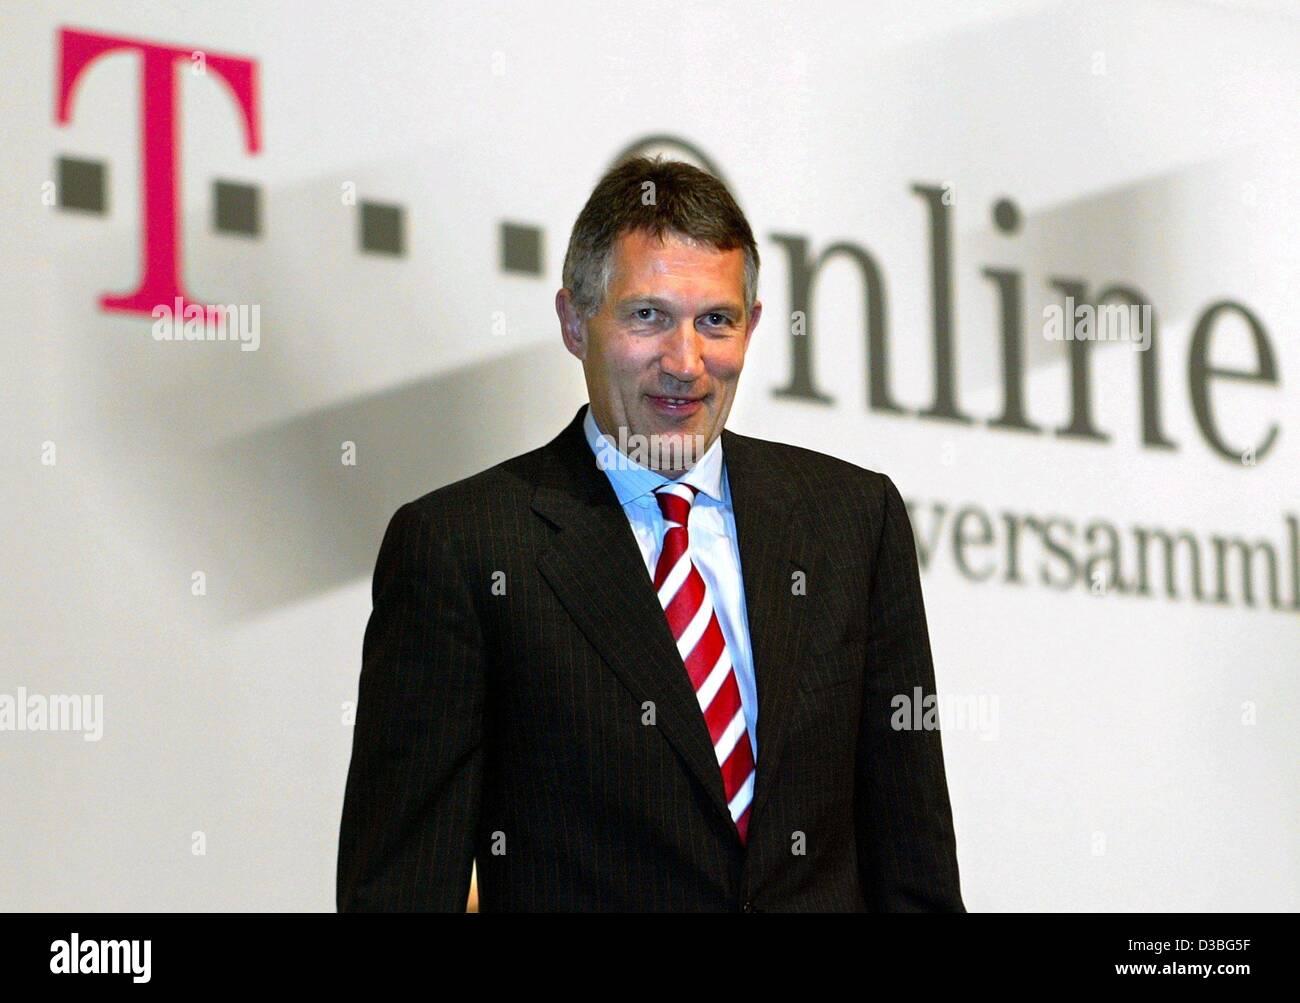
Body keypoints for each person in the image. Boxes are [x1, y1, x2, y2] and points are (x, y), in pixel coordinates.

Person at [337, 156, 964, 912]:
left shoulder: (854, 521)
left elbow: (915, 868)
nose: (686, 361)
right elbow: (400, 891)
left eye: (715, 321)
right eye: (647, 316)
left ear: (753, 326)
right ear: (575, 321)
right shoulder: (462, 548)